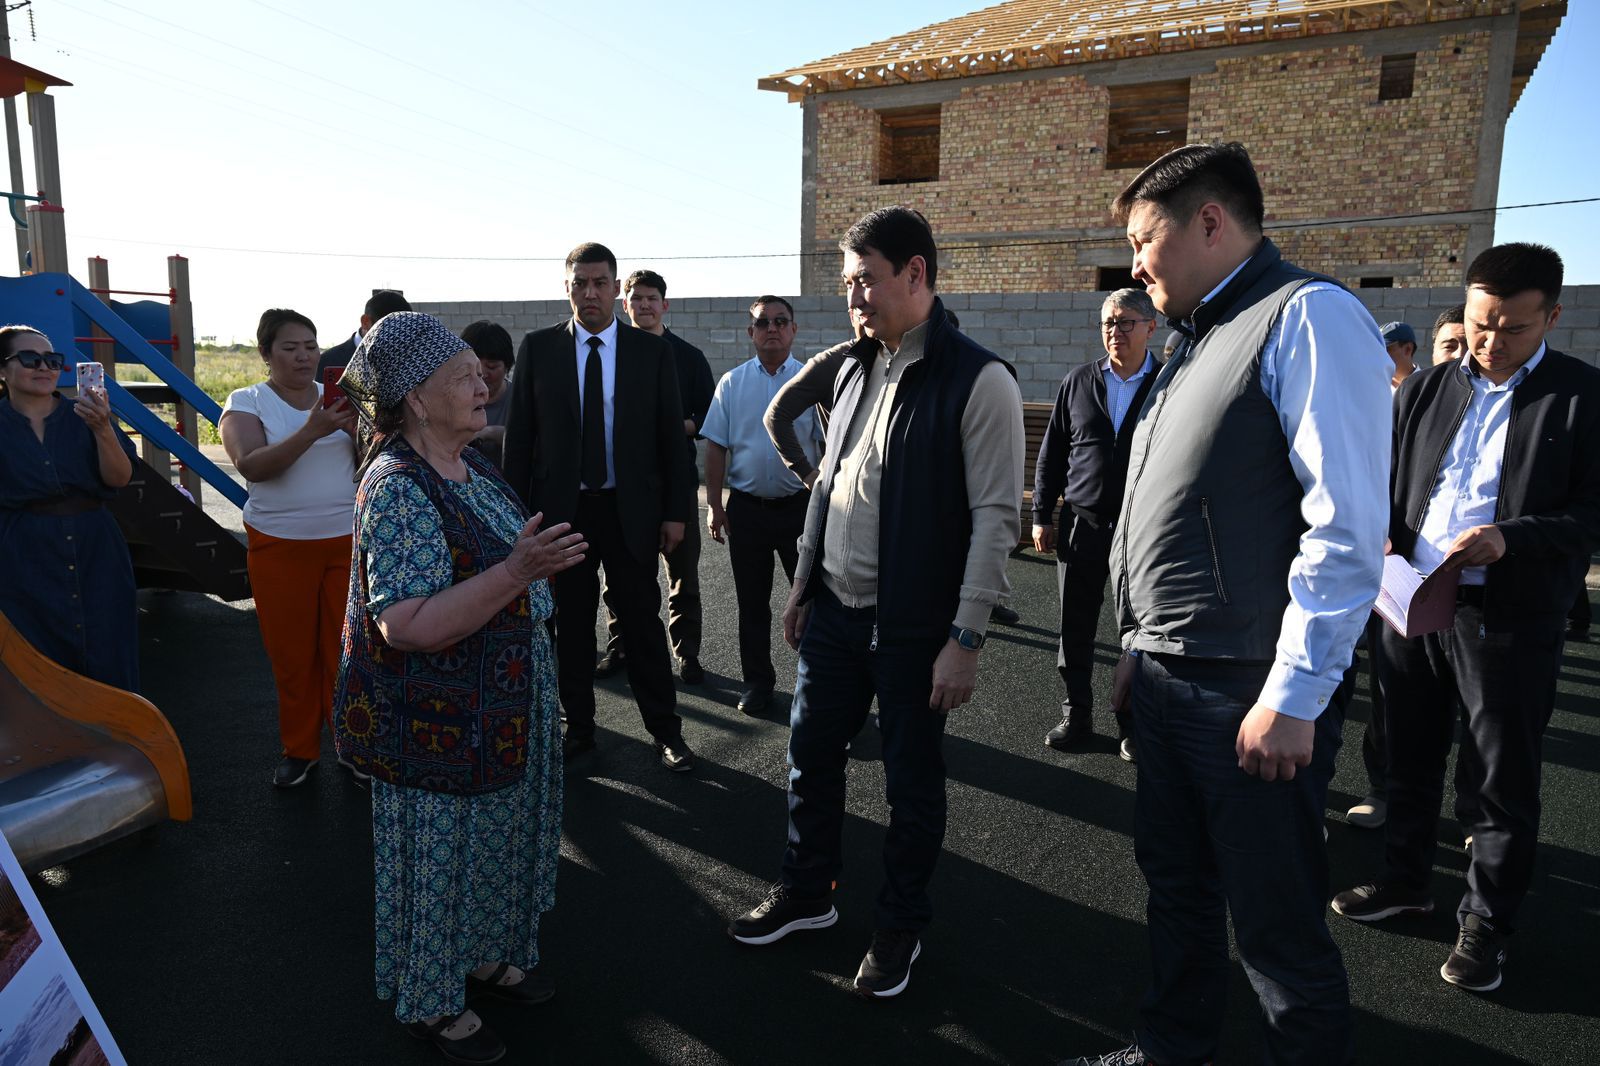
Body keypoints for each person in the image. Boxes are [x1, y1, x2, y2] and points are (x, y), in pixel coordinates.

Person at [1065, 143, 1389, 1066]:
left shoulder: (1309, 316)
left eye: (1143, 240)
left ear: (1209, 222)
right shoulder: (1194, 338)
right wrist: (1139, 644)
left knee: (1277, 929)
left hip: (1247, 689)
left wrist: (1295, 694)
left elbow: (1346, 527)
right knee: (1177, 890)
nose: (1135, 265)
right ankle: (1171, 1049)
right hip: (1170, 675)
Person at [728, 206, 1024, 1001]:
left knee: (910, 785)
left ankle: (900, 924)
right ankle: (807, 892)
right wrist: (803, 585)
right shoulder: (856, 368)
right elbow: (830, 485)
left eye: (865, 279)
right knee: (810, 758)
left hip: (915, 628)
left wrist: (965, 638)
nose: (854, 297)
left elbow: (997, 520)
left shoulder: (980, 379)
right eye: (847, 283)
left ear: (916, 273)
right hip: (833, 612)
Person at [1331, 243, 1600, 995]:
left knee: (1499, 778)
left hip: (1507, 614)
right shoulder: (1424, 389)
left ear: (1552, 316)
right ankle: (1405, 881)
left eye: (1513, 329)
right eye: (1480, 324)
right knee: (1406, 755)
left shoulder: (1583, 397)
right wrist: (1383, 534)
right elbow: (1384, 481)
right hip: (1411, 599)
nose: (1489, 342)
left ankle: (1486, 924)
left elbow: (1592, 513)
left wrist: (1513, 537)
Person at [332, 311, 586, 1066]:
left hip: (498, 714)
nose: (484, 385)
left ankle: (476, 958)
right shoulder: (398, 487)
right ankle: (432, 1002)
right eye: (464, 376)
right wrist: (517, 572)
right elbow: (406, 625)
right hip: (437, 728)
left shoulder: (467, 465)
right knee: (442, 867)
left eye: (482, 374)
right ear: (416, 397)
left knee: (492, 851)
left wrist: (525, 570)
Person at [502, 242, 698, 771]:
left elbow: (670, 438)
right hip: (562, 515)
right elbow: (519, 440)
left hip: (630, 512)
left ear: (616, 289)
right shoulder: (539, 348)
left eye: (600, 283)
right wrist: (517, 518)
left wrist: (675, 512)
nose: (590, 293)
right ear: (566, 288)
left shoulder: (650, 352)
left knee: (642, 625)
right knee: (570, 627)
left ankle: (666, 732)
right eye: (580, 283)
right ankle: (579, 730)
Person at [764, 308, 1022, 627]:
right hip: (848, 504)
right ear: (851, 315)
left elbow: (995, 512)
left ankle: (980, 601)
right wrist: (810, 474)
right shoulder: (839, 363)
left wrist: (972, 619)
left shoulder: (937, 370)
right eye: (855, 296)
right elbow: (776, 415)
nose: (865, 310)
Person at [221, 309, 360, 788]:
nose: (304, 356)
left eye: (310, 345)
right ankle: (300, 750)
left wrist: (356, 431)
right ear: (266, 353)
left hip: (345, 541)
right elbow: (252, 465)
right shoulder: (247, 401)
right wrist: (312, 430)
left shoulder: (341, 398)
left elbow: (376, 457)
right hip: (279, 546)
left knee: (346, 652)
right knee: (293, 655)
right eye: (290, 347)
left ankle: (351, 745)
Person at [1346, 304, 1469, 831]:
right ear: (1431, 349)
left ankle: (1473, 814)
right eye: (1451, 346)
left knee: (1476, 712)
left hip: (1479, 590)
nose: (1462, 356)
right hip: (1402, 580)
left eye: (1467, 343)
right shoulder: (1402, 399)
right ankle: (1384, 789)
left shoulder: (1507, 406)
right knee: (1390, 694)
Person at [1032, 288, 1162, 762]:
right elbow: (1052, 452)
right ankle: (1077, 713)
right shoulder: (1079, 381)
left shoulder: (1168, 384)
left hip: (1142, 530)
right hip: (1081, 524)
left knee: (1139, 631)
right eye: (1108, 322)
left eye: (1126, 322)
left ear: (1151, 327)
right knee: (1075, 626)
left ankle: (1133, 723)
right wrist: (1041, 514)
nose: (1115, 331)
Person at [702, 296, 824, 716]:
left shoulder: (812, 382)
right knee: (752, 604)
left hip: (800, 510)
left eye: (780, 321)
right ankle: (757, 683)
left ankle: (817, 687)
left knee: (811, 602)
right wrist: (714, 505)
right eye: (762, 322)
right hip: (747, 511)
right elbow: (715, 447)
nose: (771, 328)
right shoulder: (732, 383)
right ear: (750, 332)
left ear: (793, 329)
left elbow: (827, 447)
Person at [0, 326, 139, 691]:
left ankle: (114, 726)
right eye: (29, 359)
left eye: (52, 360)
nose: (44, 367)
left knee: (108, 645)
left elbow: (120, 477)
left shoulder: (86, 415)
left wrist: (103, 428)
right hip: (23, 552)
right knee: (34, 653)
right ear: (2, 369)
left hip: (96, 547)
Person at [595, 269, 715, 684]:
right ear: (624, 303)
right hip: (624, 487)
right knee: (620, 577)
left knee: (683, 577)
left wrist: (666, 427)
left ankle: (687, 653)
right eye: (636, 298)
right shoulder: (608, 354)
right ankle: (621, 645)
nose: (644, 305)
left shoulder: (688, 357)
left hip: (676, 483)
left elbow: (707, 418)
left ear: (665, 305)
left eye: (651, 298)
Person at [317, 290, 413, 375]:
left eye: (403, 332)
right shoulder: (327, 361)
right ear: (365, 322)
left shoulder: (411, 360)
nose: (396, 339)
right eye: (389, 331)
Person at [459, 320, 514, 469]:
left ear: (507, 366)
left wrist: (491, 433)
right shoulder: (452, 401)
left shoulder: (520, 400)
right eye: (474, 366)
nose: (482, 374)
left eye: (492, 366)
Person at [1381, 320, 1419, 391]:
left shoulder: (1428, 385)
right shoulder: (1374, 384)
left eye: (1387, 349)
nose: (1381, 355)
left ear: (1408, 349)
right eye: (1379, 350)